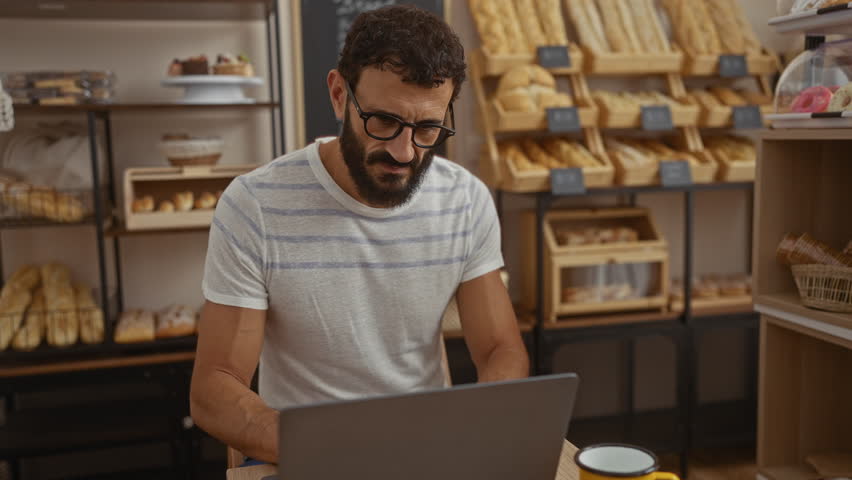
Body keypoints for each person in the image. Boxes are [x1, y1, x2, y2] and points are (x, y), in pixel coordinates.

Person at [189, 5, 528, 464]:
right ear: (338, 94)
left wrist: (473, 429)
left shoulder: (464, 200)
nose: (405, 152)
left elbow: (500, 349)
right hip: (301, 452)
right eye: (383, 121)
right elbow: (216, 386)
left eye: (428, 128)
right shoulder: (255, 206)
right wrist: (335, 451)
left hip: (424, 450)